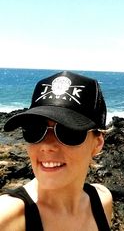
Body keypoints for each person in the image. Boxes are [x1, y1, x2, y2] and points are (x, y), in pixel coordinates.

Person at [0, 71, 113, 231]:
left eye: (68, 132)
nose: (47, 145)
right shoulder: (7, 216)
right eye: (35, 130)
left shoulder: (102, 201)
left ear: (98, 143)